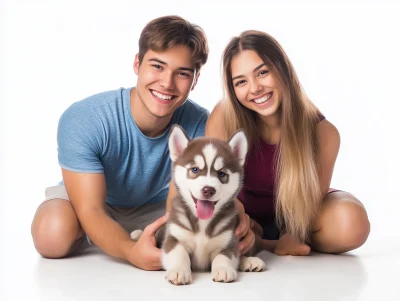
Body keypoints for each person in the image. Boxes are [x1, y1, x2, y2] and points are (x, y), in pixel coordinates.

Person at [31, 15, 254, 271]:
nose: (167, 83)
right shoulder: (87, 118)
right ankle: (100, 236)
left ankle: (134, 236)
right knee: (52, 234)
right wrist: (129, 251)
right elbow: (91, 209)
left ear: (195, 80)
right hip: (94, 202)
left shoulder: (201, 125)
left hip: (160, 208)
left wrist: (233, 213)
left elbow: (194, 196)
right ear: (137, 63)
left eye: (182, 73)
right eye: (157, 66)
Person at [205, 30, 370, 256]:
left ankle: (266, 243)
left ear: (282, 69)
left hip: (297, 219)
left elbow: (310, 207)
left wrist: (292, 235)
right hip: (240, 216)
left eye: (262, 72)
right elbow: (211, 188)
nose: (255, 88)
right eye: (241, 81)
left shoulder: (324, 132)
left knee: (352, 223)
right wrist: (236, 214)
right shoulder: (224, 117)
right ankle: (262, 242)